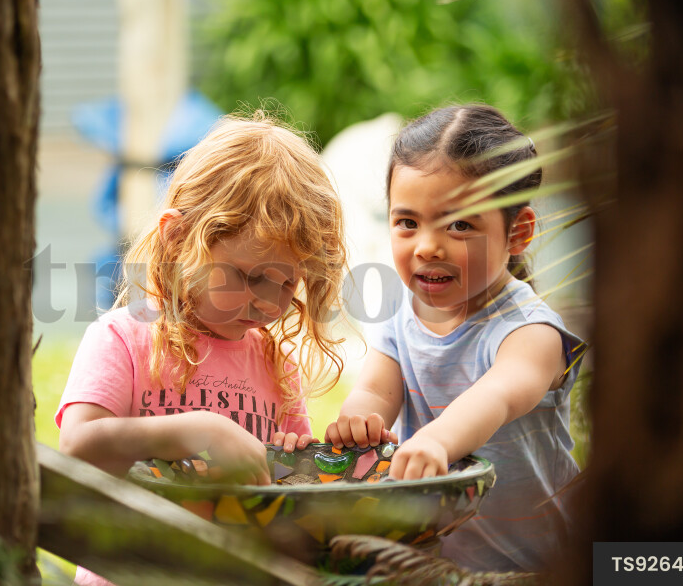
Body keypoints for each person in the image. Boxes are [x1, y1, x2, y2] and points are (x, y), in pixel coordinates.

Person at [283, 104, 586, 572]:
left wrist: (438, 440)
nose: (426, 245)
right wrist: (357, 425)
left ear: (517, 232)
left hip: (537, 564)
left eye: (460, 224)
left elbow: (499, 394)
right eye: (407, 222)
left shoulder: (531, 331)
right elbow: (374, 392)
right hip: (431, 560)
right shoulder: (400, 316)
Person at [56, 113, 347, 585]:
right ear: (177, 237)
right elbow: (77, 448)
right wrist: (196, 431)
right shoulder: (123, 339)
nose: (270, 303)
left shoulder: (275, 365)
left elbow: (291, 493)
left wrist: (295, 458)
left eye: (287, 283)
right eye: (249, 276)